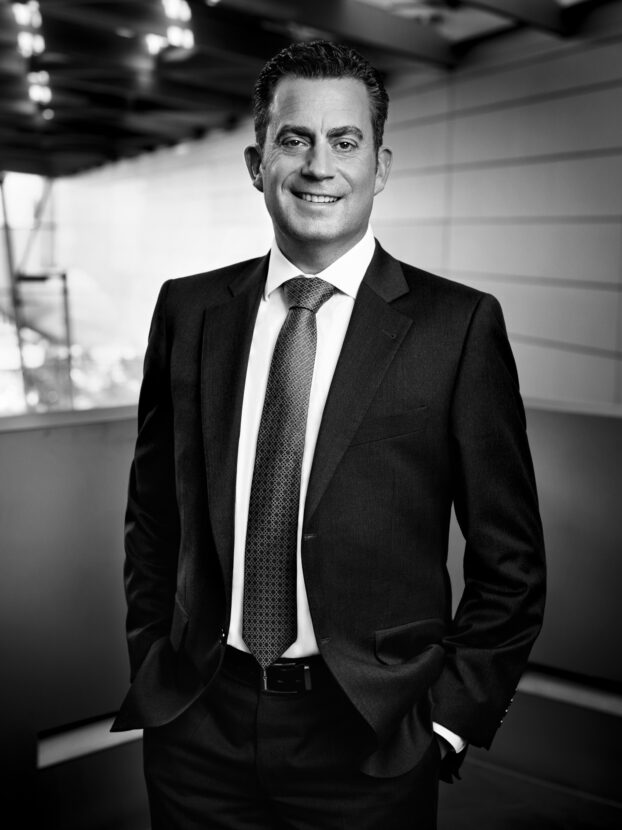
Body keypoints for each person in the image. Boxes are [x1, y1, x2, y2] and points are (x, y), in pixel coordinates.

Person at [112, 40, 546, 830]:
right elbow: (152, 518)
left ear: (380, 166)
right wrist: (153, 655)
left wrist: (446, 723)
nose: (320, 166)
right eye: (295, 139)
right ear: (258, 164)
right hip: (198, 726)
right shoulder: (188, 312)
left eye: (346, 141)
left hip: (371, 737)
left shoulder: (457, 328)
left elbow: (510, 565)